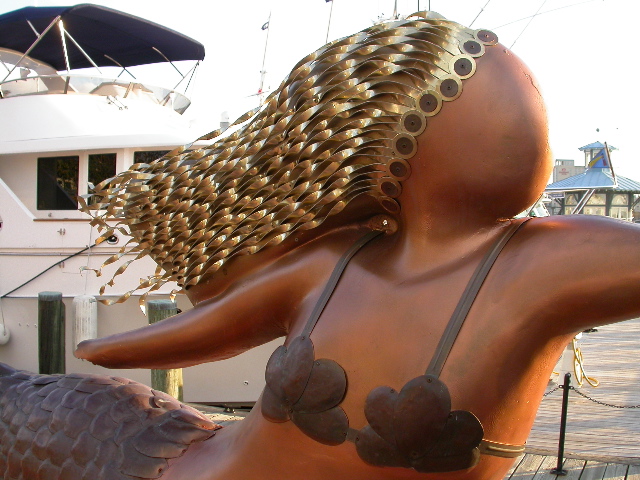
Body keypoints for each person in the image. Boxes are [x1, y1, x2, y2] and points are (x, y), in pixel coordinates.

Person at [3, 12, 640, 480]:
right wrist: (106, 351)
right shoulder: (335, 262)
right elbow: (209, 328)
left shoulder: (537, 265)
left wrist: (107, 349)